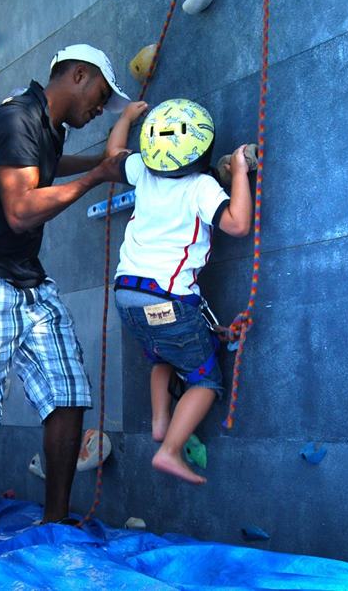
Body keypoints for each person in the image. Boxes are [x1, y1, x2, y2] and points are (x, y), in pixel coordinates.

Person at [0, 44, 133, 544]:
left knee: (68, 392)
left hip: (27, 279)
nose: (101, 109)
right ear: (78, 75)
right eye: (102, 95)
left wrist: (102, 161)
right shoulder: (16, 119)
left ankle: (55, 525)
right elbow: (20, 211)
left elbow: (47, 165)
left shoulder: (47, 126)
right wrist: (97, 176)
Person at [112, 98, 252, 484]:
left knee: (163, 356)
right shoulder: (200, 186)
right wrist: (240, 172)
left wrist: (126, 118)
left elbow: (114, 154)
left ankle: (161, 422)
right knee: (204, 379)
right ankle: (170, 449)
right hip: (168, 300)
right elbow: (237, 223)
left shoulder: (142, 171)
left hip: (126, 295)